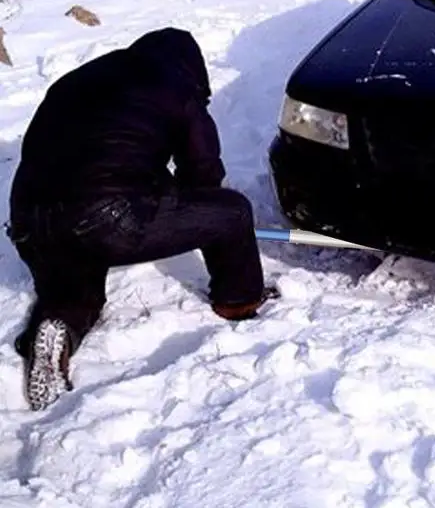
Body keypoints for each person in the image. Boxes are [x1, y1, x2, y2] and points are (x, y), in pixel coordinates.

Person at [4, 27, 278, 411]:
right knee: (231, 212)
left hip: (30, 222)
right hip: (105, 217)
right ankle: (239, 301)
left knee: (77, 292)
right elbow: (203, 178)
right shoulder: (178, 88)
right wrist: (183, 208)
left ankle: (57, 330)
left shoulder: (78, 80)